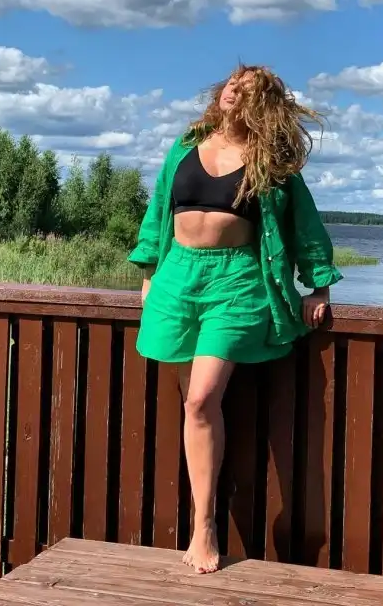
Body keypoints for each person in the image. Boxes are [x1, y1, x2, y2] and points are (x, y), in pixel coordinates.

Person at [128, 64, 343, 574]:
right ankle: (203, 517)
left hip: (238, 282)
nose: (234, 90)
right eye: (232, 83)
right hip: (178, 278)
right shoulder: (186, 145)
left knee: (201, 399)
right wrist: (149, 272)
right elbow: (159, 209)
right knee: (195, 408)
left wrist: (318, 285)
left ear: (262, 103)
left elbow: (304, 222)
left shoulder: (272, 160)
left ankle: (204, 527)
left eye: (247, 88)